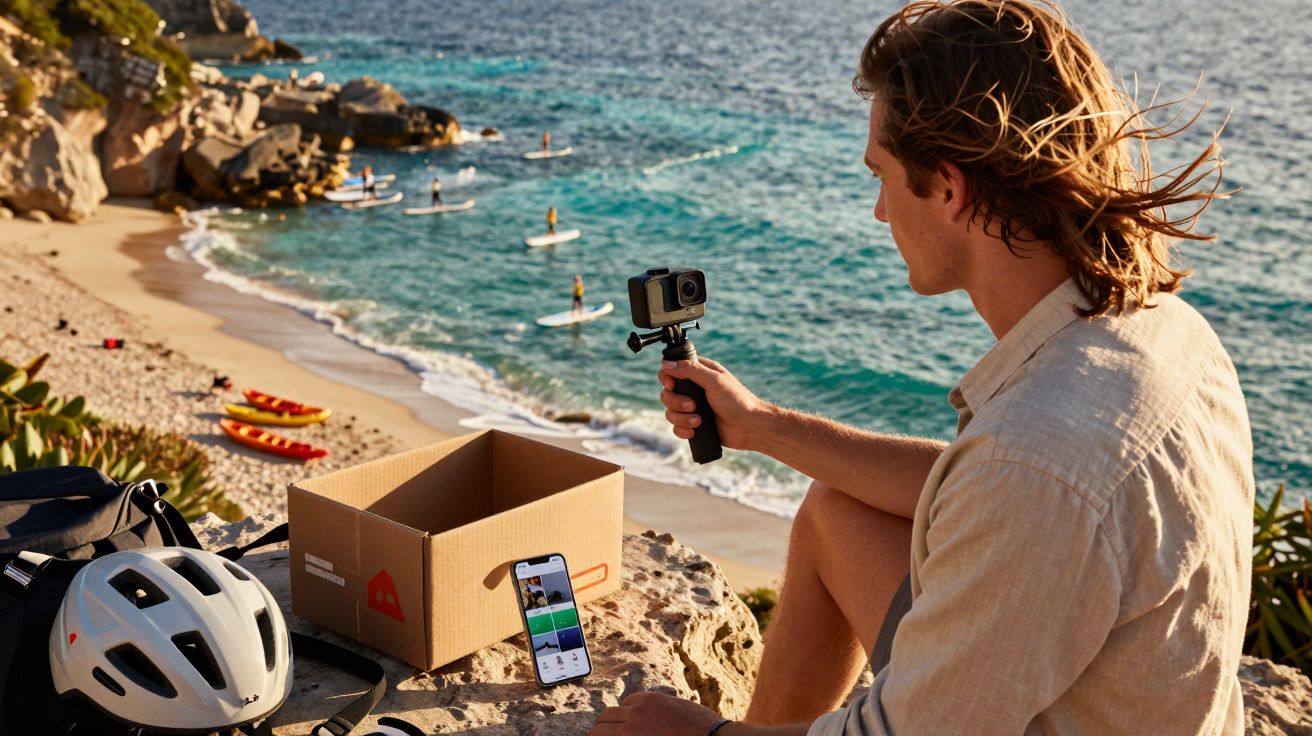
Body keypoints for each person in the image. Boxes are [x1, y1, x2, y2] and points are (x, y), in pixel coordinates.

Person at [589, 1, 1249, 735]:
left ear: (948, 186)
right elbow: (982, 492)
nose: (878, 212)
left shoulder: (1038, 458)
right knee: (834, 510)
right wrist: (762, 427)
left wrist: (703, 735)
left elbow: (1024, 490)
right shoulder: (1164, 329)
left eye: (883, 176)